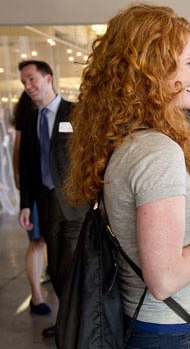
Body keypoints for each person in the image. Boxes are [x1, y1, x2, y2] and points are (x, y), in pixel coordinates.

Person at [65, 3, 190, 348]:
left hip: (149, 324)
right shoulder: (156, 151)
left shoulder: (129, 141)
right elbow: (163, 279)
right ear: (154, 70)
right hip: (171, 331)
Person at [18, 60, 88, 338]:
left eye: (32, 79)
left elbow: (89, 156)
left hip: (74, 203)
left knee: (69, 265)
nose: (28, 86)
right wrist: (25, 204)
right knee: (56, 267)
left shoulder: (76, 113)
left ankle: (78, 324)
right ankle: (67, 322)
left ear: (48, 78)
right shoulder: (31, 120)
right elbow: (27, 167)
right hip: (46, 204)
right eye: (24, 82)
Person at [12, 91, 51, 316]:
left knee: (48, 241)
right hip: (34, 189)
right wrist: (21, 186)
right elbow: (19, 152)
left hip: (52, 191)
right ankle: (36, 295)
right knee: (37, 241)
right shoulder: (28, 115)